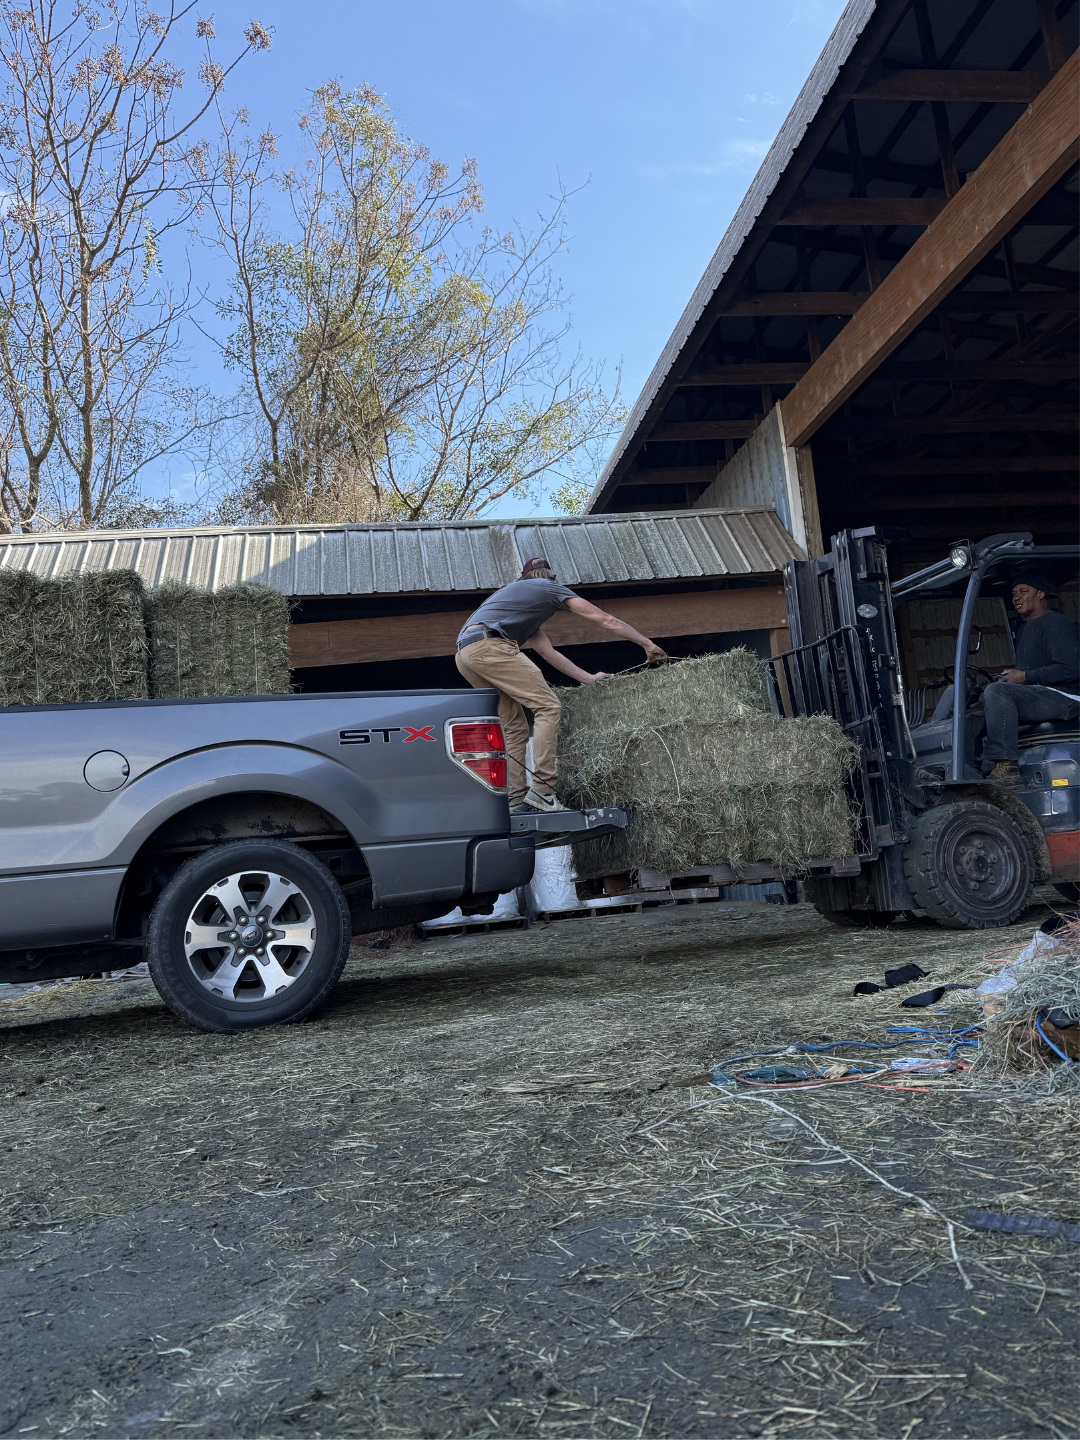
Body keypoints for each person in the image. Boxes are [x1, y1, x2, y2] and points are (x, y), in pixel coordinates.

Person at [455, 557, 668, 813]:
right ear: (550, 577)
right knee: (547, 707)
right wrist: (647, 644)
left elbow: (548, 653)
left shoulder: (517, 606)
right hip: (490, 647)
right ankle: (543, 792)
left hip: (465, 654)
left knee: (514, 727)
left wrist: (587, 678)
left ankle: (515, 799)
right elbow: (605, 619)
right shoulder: (548, 587)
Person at [978, 573, 1079, 787]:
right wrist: (1013, 676)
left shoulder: (1056, 623)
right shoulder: (1024, 629)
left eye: (1023, 591)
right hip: (1042, 694)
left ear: (1040, 594)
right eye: (1014, 594)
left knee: (998, 692)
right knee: (974, 718)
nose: (1016, 597)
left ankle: (1007, 768)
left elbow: (1071, 668)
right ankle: (977, 769)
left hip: (1065, 695)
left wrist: (1023, 676)